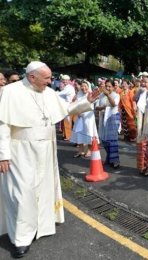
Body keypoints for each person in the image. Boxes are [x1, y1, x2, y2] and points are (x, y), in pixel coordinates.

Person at [0, 61, 99, 258]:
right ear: (31, 77)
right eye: (46, 78)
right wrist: (3, 155)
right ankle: (21, 238)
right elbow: (2, 124)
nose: (50, 81)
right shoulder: (11, 92)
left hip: (46, 149)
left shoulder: (48, 92)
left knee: (43, 189)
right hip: (21, 151)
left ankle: (40, 225)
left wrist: (86, 101)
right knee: (23, 193)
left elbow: (66, 110)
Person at [70, 81, 99, 158]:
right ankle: (81, 151)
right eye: (82, 86)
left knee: (89, 132)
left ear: (88, 86)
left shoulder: (91, 94)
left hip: (88, 117)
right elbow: (74, 105)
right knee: (78, 132)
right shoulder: (78, 95)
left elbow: (93, 103)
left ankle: (89, 150)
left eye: (85, 86)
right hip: (79, 117)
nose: (83, 88)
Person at [96, 80, 121, 168]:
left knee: (112, 140)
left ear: (114, 87)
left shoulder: (116, 95)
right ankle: (109, 157)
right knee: (104, 139)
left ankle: (115, 160)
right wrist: (102, 107)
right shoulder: (101, 95)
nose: (107, 88)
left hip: (113, 118)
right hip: (103, 117)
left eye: (109, 86)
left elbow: (114, 104)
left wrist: (108, 95)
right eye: (106, 86)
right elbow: (97, 107)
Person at [57, 74, 76, 141]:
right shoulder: (67, 87)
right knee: (66, 121)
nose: (65, 81)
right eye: (63, 80)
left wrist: (53, 93)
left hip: (69, 106)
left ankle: (68, 136)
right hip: (68, 105)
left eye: (66, 80)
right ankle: (66, 135)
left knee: (67, 121)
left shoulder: (68, 88)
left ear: (69, 81)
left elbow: (60, 94)